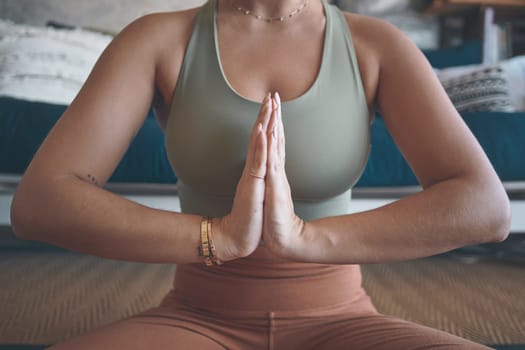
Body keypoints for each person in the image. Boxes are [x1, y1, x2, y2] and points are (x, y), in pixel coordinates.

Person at [10, 0, 510, 349]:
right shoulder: (160, 38)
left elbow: (485, 208)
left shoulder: (374, 44)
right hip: (196, 320)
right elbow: (40, 201)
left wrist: (304, 239)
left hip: (341, 322)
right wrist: (217, 237)